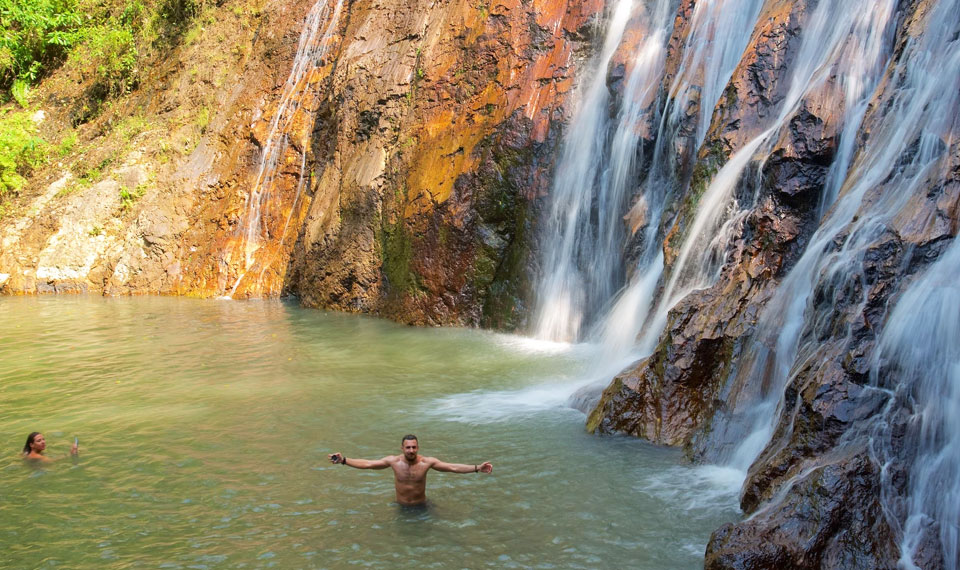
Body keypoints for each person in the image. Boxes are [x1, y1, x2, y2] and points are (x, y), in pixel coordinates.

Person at [328, 434, 493, 506]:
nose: (411, 450)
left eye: (414, 447)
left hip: (422, 506)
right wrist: (344, 460)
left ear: (418, 447)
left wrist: (477, 468)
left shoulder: (427, 462)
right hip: (401, 506)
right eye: (408, 447)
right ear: (402, 448)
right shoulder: (393, 461)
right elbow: (368, 464)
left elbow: (452, 467)